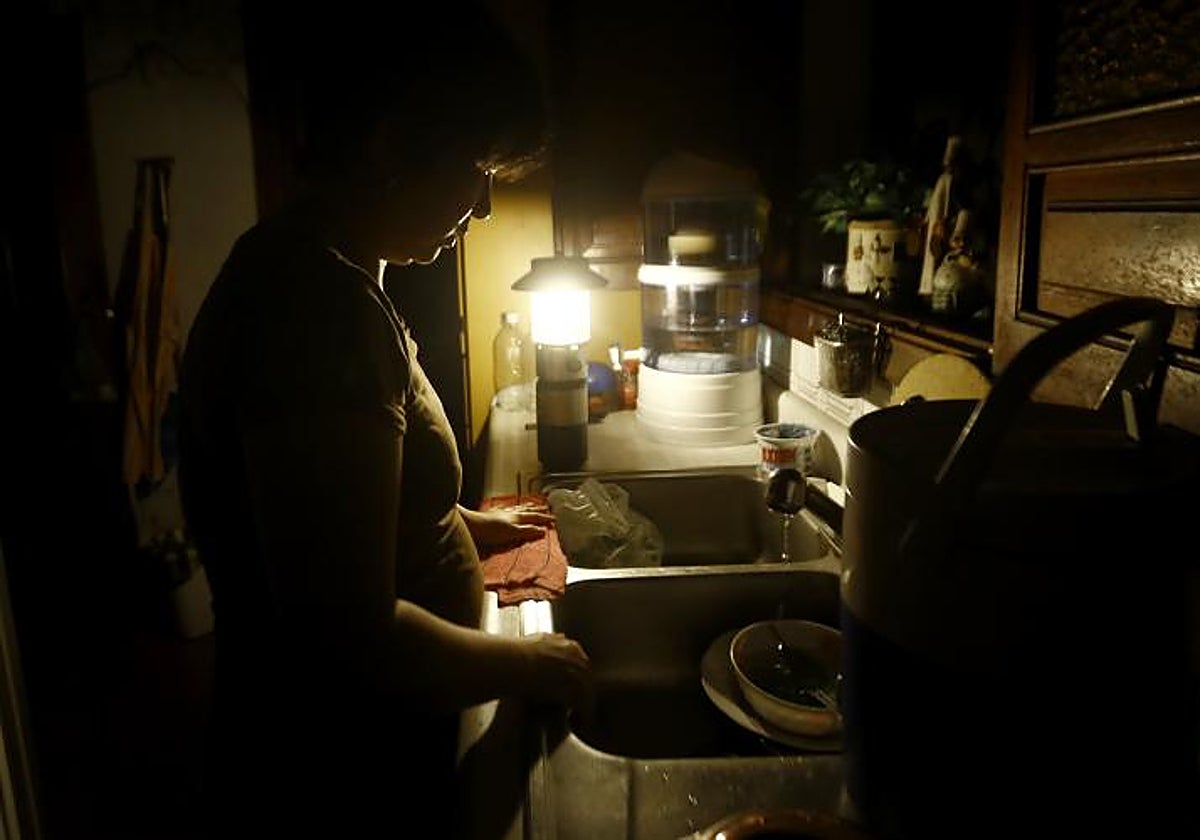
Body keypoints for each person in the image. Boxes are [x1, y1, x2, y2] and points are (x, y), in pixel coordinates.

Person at [178, 5, 591, 837]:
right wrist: (527, 661)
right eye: (474, 168)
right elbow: (350, 634)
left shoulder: (326, 271)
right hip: (336, 770)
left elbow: (365, 514)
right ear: (391, 144)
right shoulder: (318, 312)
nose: (481, 206)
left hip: (353, 743)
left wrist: (474, 525)